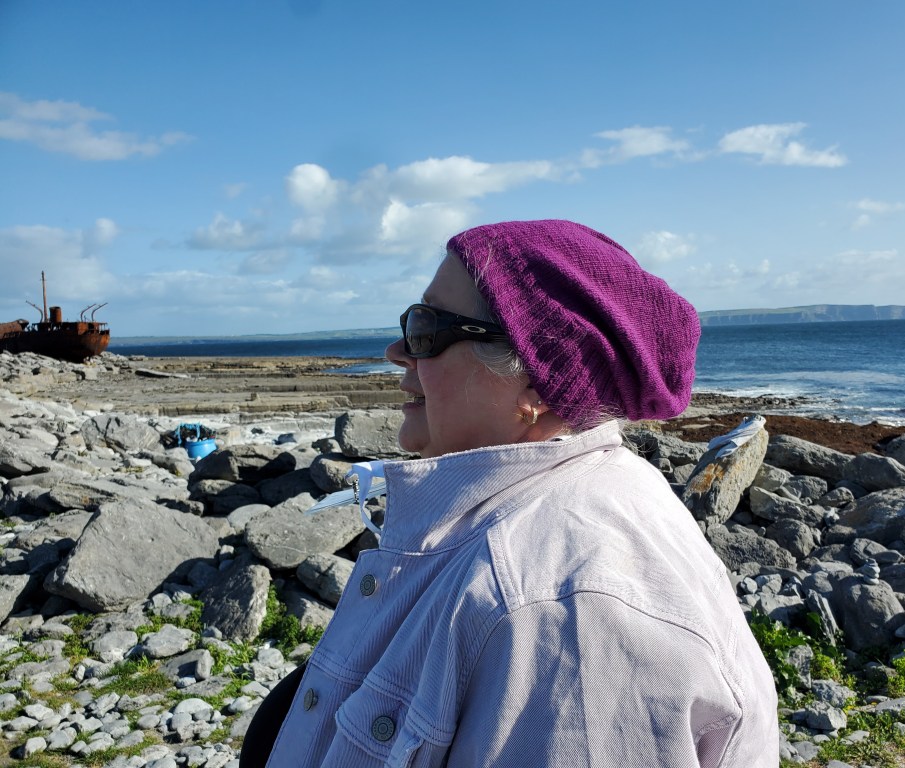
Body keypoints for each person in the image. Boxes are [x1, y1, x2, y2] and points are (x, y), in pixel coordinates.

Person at [253, 220, 779, 767]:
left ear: (538, 380)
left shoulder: (563, 615)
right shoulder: (555, 506)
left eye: (426, 330)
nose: (396, 350)